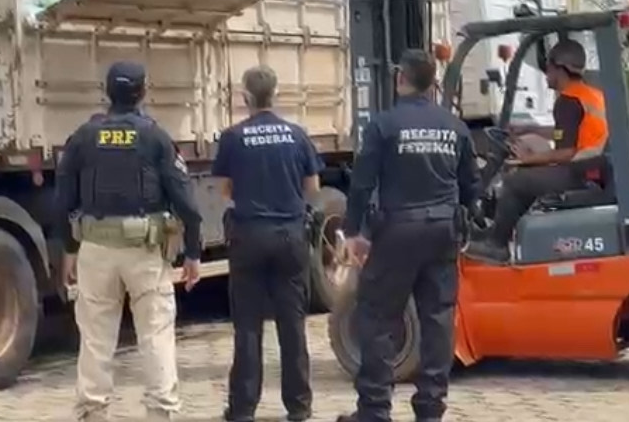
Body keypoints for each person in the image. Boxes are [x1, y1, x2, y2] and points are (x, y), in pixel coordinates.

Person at [55, 61, 203, 422]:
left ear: (107, 92)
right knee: (155, 337)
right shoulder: (155, 136)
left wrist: (69, 250)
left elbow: (62, 200)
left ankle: (92, 413)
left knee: (95, 339)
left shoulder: (84, 137)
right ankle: (161, 414)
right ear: (143, 92)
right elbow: (186, 201)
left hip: (96, 250)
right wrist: (193, 253)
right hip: (145, 251)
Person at [336, 50, 479, 422]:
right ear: (433, 82)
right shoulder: (455, 127)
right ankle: (430, 409)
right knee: (437, 319)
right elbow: (470, 186)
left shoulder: (384, 125)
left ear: (401, 78)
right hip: (442, 231)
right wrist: (465, 223)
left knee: (378, 316)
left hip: (397, 231)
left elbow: (363, 183)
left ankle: (374, 409)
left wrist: (353, 232)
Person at [212, 65, 321, 422]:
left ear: (245, 96)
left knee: (247, 327)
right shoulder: (297, 135)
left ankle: (243, 408)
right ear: (275, 95)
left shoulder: (233, 136)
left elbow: (226, 191)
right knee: (293, 326)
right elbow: (313, 188)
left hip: (249, 237)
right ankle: (299, 406)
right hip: (291, 237)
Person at [464, 39, 608, 263]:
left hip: (579, 173)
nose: (546, 74)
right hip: (593, 168)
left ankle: (497, 244)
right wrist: (531, 129)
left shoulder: (568, 101)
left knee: (515, 181)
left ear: (560, 68)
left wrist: (526, 159)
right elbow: (572, 133)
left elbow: (567, 152)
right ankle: (501, 233)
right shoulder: (589, 94)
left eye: (548, 68)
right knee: (529, 175)